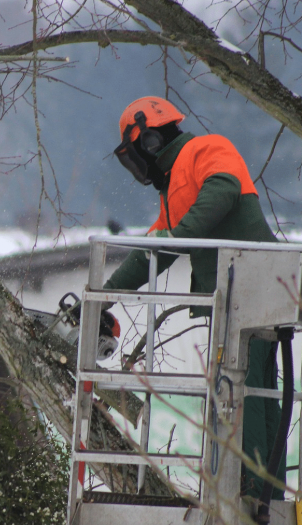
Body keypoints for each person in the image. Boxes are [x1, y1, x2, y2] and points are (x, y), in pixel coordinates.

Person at [104, 96, 285, 500]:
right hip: (234, 301)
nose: (138, 167)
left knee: (245, 398)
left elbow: (223, 191)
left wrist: (180, 235)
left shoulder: (206, 149)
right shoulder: (174, 187)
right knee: (248, 394)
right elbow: (154, 251)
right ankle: (259, 496)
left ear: (148, 141)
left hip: (253, 292)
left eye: (135, 155)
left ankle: (252, 500)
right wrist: (104, 295)